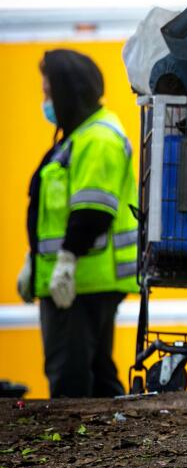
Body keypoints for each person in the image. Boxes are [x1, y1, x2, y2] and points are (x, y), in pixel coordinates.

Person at [17, 50, 138, 399]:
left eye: (49, 93)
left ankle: (72, 448)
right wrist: (34, 258)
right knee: (97, 375)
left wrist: (65, 263)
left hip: (81, 282)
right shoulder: (78, 136)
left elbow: (93, 212)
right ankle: (110, 446)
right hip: (77, 281)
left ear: (69, 91)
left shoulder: (97, 139)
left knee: (70, 377)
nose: (46, 102)